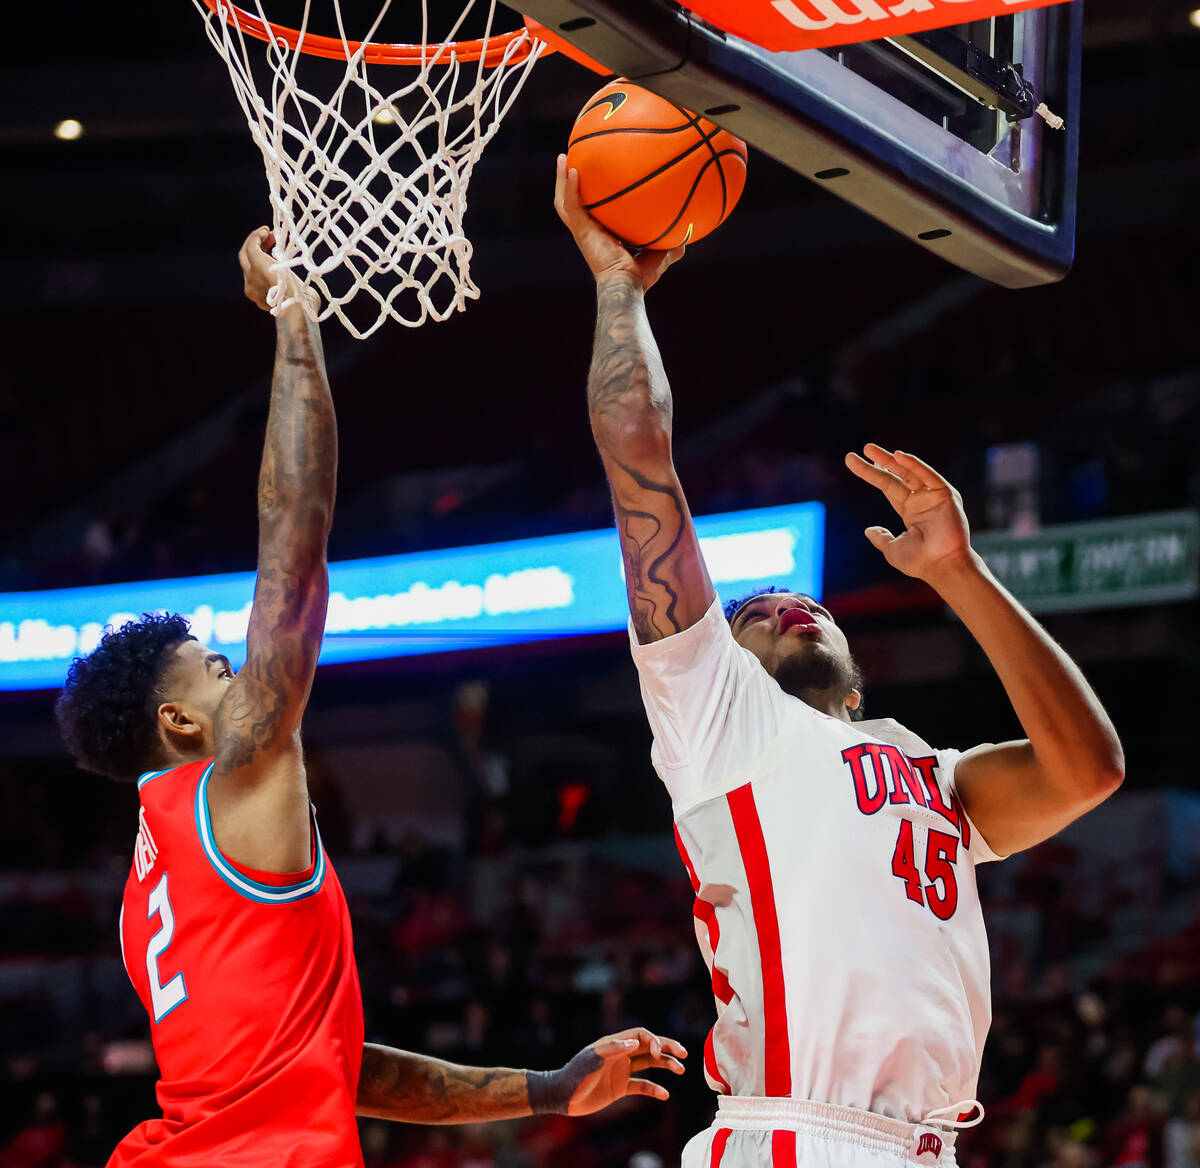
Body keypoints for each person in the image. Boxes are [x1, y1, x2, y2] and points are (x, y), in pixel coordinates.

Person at [54, 228, 687, 1168]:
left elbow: (332, 1066)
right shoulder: (230, 782)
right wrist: (294, 320)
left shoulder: (148, 885)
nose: (245, 667)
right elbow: (293, 543)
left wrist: (547, 1089)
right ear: (178, 723)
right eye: (217, 669)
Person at [553, 158, 1125, 1167]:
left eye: (803, 601)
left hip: (928, 1146)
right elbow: (639, 452)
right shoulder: (719, 718)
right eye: (751, 613)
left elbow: (1091, 770)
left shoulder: (931, 773)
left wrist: (961, 573)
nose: (782, 605)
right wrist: (617, 285)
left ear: (858, 684)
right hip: (797, 1137)